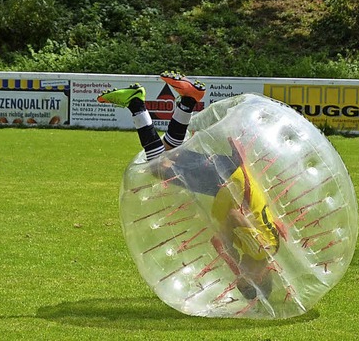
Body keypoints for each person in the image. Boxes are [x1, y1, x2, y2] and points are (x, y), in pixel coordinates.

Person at [97, 72, 284, 299]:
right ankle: (137, 103)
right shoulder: (257, 251)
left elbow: (267, 219)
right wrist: (228, 243)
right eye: (244, 279)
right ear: (261, 277)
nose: (239, 273)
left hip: (231, 177)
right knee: (159, 167)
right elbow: (235, 215)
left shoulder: (269, 247)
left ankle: (186, 99)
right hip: (226, 180)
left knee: (169, 153)